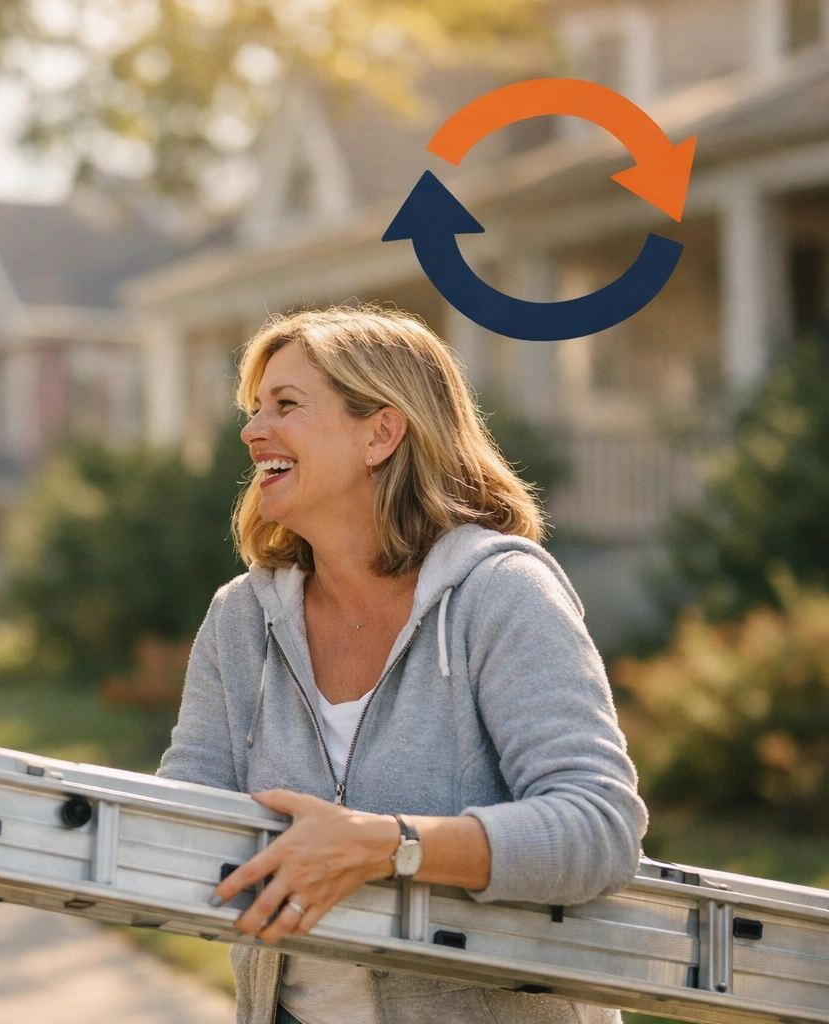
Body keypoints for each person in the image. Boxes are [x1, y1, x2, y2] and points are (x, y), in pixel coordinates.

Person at [158, 306, 647, 1024]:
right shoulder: (241, 621)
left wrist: (389, 847)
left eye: (286, 405)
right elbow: (174, 832)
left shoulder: (500, 593)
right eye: (255, 409)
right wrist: (0, 845)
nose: (252, 430)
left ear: (381, 433)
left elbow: (598, 829)